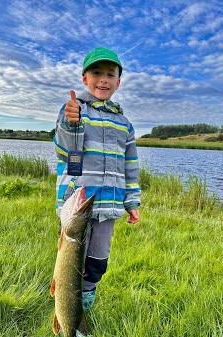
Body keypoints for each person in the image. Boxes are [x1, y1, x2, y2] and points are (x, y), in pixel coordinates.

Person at [54, 47, 141, 311]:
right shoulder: (73, 110)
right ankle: (64, 302)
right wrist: (71, 124)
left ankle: (85, 303)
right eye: (96, 73)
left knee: (97, 261)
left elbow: (131, 166)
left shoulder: (124, 123)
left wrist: (132, 201)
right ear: (84, 78)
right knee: (70, 260)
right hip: (77, 206)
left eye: (110, 74)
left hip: (110, 206)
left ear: (118, 82)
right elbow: (66, 151)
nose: (103, 79)